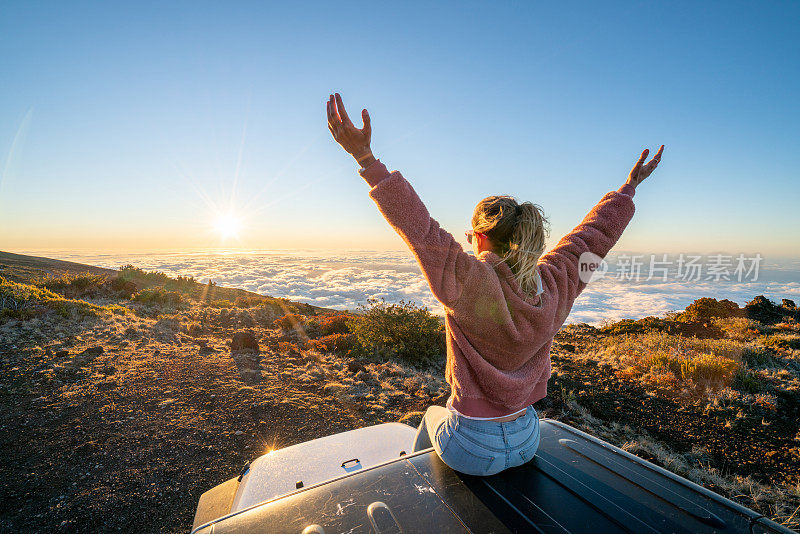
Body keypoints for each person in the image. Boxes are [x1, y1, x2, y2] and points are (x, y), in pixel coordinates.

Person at [326, 92, 664, 476]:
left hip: (470, 445)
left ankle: (418, 487)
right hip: (527, 439)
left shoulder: (467, 282)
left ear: (482, 236)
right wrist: (627, 191)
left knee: (430, 421)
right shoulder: (558, 282)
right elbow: (593, 239)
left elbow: (418, 227)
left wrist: (366, 160)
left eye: (471, 234)